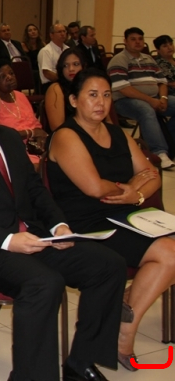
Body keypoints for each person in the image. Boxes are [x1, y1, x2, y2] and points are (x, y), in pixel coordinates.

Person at [0, 63, 126, 381]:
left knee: (108, 265)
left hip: (32, 237)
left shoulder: (7, 137)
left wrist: (59, 226)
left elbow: (35, 189)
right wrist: (7, 241)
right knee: (44, 283)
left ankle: (82, 362)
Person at [47, 67, 175, 371]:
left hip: (124, 216)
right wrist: (132, 188)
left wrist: (136, 195)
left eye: (106, 95)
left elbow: (152, 175)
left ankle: (123, 308)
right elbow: (93, 187)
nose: (101, 102)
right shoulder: (66, 136)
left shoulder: (117, 133)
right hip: (85, 224)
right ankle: (123, 335)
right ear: (74, 100)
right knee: (170, 254)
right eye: (92, 95)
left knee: (171, 252)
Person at [108, 27, 175, 168]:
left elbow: (162, 82)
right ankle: (159, 153)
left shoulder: (148, 59)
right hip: (125, 101)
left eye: (140, 39)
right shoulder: (119, 60)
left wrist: (163, 98)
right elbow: (124, 88)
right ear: (125, 41)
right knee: (146, 110)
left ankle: (169, 141)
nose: (137, 42)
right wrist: (151, 101)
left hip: (154, 98)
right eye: (133, 39)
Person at [0, 64, 48, 166]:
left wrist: (40, 137)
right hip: (14, 151)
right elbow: (1, 136)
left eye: (11, 73)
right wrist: (31, 133)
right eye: (3, 76)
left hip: (34, 146)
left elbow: (36, 126)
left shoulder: (21, 96)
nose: (10, 77)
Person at [44, 48, 86, 132]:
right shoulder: (56, 89)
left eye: (76, 64)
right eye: (65, 66)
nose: (71, 69)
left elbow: (107, 121)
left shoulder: (89, 86)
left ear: (83, 66)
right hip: (65, 136)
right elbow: (57, 127)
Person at [38, 22, 68, 93]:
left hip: (65, 82)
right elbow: (47, 73)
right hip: (50, 85)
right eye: (59, 32)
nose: (63, 34)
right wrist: (63, 80)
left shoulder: (68, 49)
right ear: (51, 35)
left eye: (64, 31)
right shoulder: (46, 51)